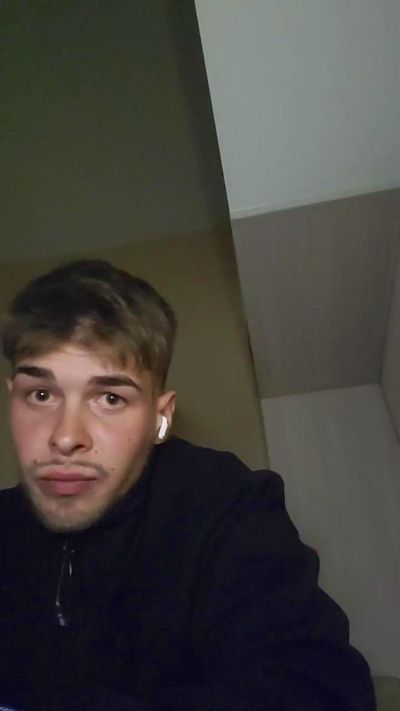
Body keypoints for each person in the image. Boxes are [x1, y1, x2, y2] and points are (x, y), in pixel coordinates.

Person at [0, 259, 375, 711]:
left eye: (111, 398)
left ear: (160, 417)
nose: (64, 436)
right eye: (40, 395)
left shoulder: (226, 504)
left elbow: (322, 690)